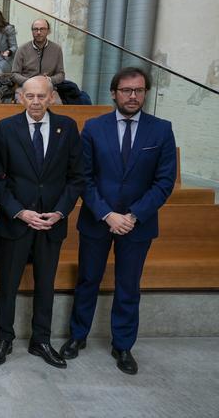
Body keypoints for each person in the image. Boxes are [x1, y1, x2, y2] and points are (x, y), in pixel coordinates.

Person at [60, 67, 177, 375]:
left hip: (138, 224)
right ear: (114, 93)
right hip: (98, 219)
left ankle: (123, 345)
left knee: (129, 285)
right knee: (88, 280)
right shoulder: (94, 128)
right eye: (126, 90)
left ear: (145, 93)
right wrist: (108, 214)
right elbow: (84, 177)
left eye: (138, 90)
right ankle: (78, 336)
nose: (133, 96)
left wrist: (133, 215)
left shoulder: (161, 130)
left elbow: (164, 182)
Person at [0, 76, 85, 369]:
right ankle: (4, 338)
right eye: (30, 96)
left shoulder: (67, 128)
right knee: (8, 285)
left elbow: (76, 177)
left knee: (45, 284)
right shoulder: (6, 128)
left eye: (41, 96)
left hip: (51, 222)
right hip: (16, 222)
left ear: (51, 97)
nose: (35, 101)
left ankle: (40, 340)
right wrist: (19, 211)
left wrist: (60, 212)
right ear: (20, 98)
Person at [11, 19, 90, 105]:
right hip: (26, 88)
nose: (38, 32)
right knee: (22, 103)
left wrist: (50, 79)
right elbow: (14, 74)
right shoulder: (22, 49)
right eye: (35, 29)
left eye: (42, 29)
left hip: (48, 89)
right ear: (32, 31)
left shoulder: (56, 49)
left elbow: (61, 74)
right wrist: (30, 81)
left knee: (57, 105)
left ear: (48, 31)